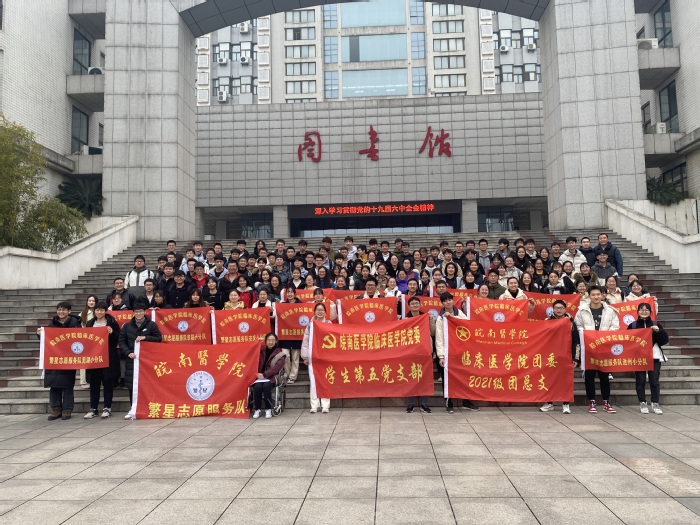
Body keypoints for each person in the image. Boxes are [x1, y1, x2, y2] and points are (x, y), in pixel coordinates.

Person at [575, 285, 620, 413]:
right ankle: (592, 401)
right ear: (589, 296)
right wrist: (587, 335)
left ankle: (606, 401)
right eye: (593, 294)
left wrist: (603, 337)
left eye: (598, 294)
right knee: (589, 376)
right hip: (588, 348)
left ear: (602, 295)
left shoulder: (610, 311)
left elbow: (615, 326)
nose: (596, 297)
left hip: (604, 348)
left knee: (604, 376)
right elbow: (578, 325)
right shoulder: (582, 310)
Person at [434, 292, 479, 412]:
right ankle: (449, 402)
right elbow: (439, 338)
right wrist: (441, 356)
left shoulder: (460, 313)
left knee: (464, 377)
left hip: (462, 352)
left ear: (453, 301)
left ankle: (466, 401)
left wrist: (452, 318)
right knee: (447, 378)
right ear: (442, 303)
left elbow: (468, 324)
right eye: (445, 301)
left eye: (450, 300)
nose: (448, 302)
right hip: (448, 352)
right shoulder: (440, 318)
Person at [37, 302, 81, 421]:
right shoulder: (52, 323)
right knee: (54, 384)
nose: (61, 312)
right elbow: (46, 340)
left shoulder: (75, 324)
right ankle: (56, 409)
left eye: (63, 310)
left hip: (68, 359)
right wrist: (40, 335)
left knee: (67, 385)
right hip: (54, 359)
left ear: (69, 311)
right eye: (59, 310)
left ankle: (67, 409)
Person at [118, 302, 162, 420]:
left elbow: (159, 338)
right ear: (133, 313)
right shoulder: (127, 326)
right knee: (132, 386)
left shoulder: (151, 325)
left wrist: (146, 337)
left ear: (144, 312)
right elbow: (121, 341)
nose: (138, 314)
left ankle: (149, 408)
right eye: (136, 312)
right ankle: (133, 409)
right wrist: (128, 352)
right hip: (132, 360)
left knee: (147, 385)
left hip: (147, 361)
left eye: (140, 311)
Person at [539, 299, 580, 414]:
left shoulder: (571, 323)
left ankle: (566, 404)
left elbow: (576, 342)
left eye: (561, 308)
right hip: (550, 356)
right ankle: (549, 403)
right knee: (549, 380)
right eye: (556, 308)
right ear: (553, 309)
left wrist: (575, 358)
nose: (559, 310)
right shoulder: (547, 321)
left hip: (565, 356)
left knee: (565, 380)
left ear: (565, 309)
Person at [628, 302, 668, 414]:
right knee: (640, 381)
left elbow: (664, 341)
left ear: (651, 312)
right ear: (637, 312)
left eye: (646, 310)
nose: (644, 312)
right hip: (639, 357)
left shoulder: (656, 324)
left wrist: (658, 332)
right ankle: (642, 402)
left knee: (654, 381)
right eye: (642, 310)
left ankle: (655, 403)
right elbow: (627, 341)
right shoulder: (633, 325)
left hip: (654, 356)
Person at [84, 302, 120, 419]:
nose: (99, 312)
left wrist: (112, 333)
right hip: (94, 358)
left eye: (102, 310)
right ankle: (93, 408)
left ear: (105, 311)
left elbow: (118, 338)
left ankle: (107, 407)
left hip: (108, 357)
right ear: (94, 311)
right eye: (97, 310)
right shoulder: (90, 323)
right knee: (94, 384)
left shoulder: (112, 322)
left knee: (107, 383)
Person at [404, 296, 434, 413]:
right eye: (412, 304)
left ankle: (424, 404)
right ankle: (410, 404)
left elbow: (433, 333)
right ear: (409, 306)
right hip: (410, 352)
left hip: (425, 351)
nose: (415, 305)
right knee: (410, 378)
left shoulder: (426, 316)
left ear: (420, 305)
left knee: (424, 377)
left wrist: (431, 320)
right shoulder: (405, 319)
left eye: (417, 303)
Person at [301, 303, 332, 413]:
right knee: (314, 380)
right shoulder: (310, 325)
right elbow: (305, 342)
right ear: (314, 312)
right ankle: (314, 405)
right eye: (318, 310)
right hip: (313, 357)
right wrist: (305, 356)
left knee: (325, 380)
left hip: (325, 357)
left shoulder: (329, 324)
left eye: (322, 310)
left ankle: (325, 405)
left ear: (325, 312)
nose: (320, 312)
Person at [252, 333, 286, 419]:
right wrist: (257, 342)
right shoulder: (261, 350)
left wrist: (264, 374)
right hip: (259, 377)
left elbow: (276, 368)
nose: (271, 342)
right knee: (258, 387)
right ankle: (257, 409)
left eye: (273, 340)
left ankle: (268, 409)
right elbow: (250, 351)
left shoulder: (280, 353)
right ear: (266, 341)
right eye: (269, 340)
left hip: (272, 377)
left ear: (276, 341)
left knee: (266, 386)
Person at [280, 286, 303, 384]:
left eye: (291, 292)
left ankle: (293, 377)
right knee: (285, 355)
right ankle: (288, 374)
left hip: (297, 335)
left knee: (295, 357)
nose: (289, 294)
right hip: (285, 335)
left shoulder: (301, 304)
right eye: (288, 292)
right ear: (286, 294)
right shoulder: (282, 305)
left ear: (295, 294)